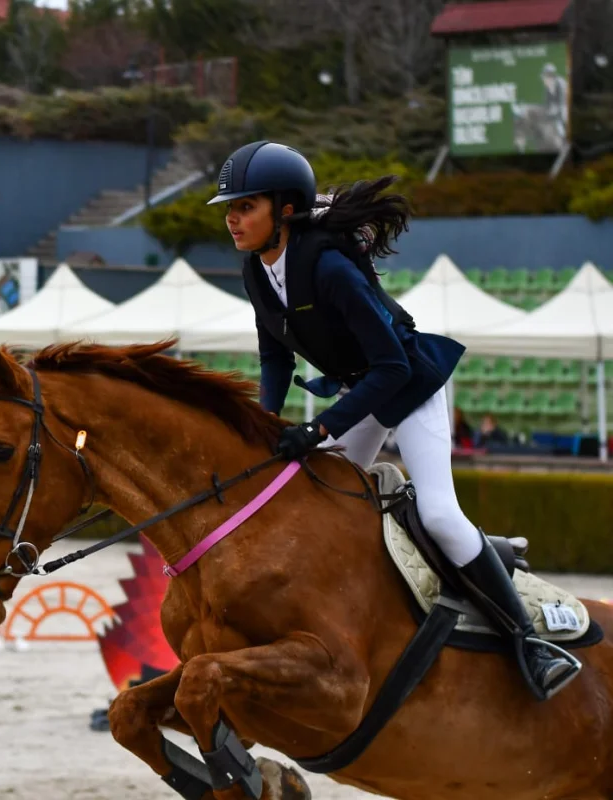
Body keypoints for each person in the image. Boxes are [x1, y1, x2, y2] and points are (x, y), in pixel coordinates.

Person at [205, 140, 580, 701]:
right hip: (363, 388)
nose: (233, 219)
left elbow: (393, 366)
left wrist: (320, 429)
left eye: (245, 207)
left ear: (285, 210)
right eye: (230, 209)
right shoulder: (256, 272)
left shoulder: (328, 267)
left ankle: (529, 644)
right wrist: (262, 425)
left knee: (440, 516)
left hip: (411, 382)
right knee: (310, 495)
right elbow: (275, 358)